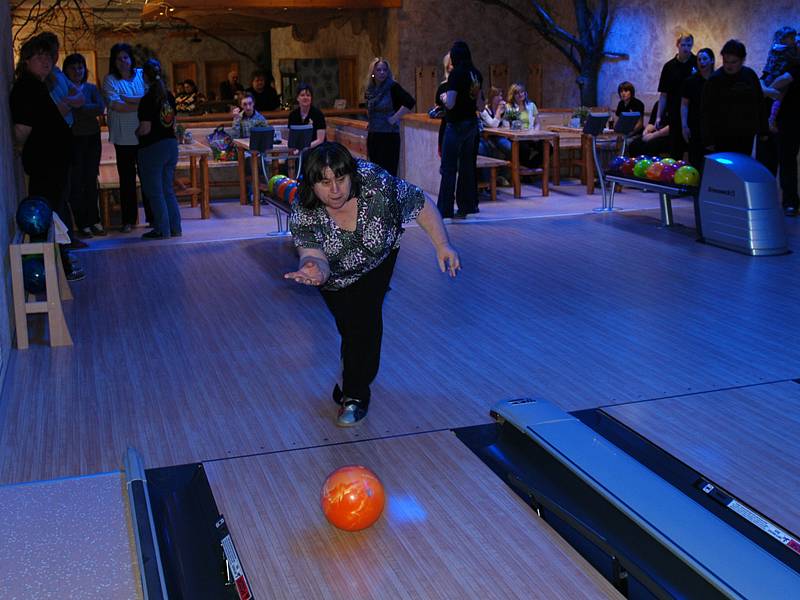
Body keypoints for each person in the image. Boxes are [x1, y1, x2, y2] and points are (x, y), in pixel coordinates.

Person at [285, 142, 460, 426]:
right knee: (350, 327)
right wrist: (314, 268)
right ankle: (350, 376)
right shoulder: (304, 209)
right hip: (334, 275)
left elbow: (420, 203)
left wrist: (443, 245)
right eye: (325, 183)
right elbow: (313, 253)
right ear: (311, 184)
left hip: (378, 260)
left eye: (341, 180)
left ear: (351, 175)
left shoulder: (377, 185)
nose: (335, 190)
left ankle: (355, 395)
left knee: (363, 323)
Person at [10, 33, 84, 281]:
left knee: (55, 215)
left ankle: (60, 268)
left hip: (54, 163)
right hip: (46, 165)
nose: (45, 61)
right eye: (38, 56)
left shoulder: (38, 86)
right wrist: (18, 148)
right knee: (50, 216)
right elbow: (22, 128)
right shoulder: (26, 87)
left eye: (48, 56)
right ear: (26, 60)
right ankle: (57, 271)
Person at [103, 42, 149, 232]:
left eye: (125, 57)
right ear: (113, 61)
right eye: (118, 58)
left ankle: (153, 218)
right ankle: (129, 220)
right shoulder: (110, 80)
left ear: (131, 59)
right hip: (123, 137)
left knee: (147, 178)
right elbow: (116, 106)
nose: (123, 61)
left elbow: (150, 99)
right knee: (127, 181)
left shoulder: (141, 74)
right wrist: (141, 103)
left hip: (144, 134)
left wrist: (127, 99)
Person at [437, 40, 483, 219]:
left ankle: (445, 209)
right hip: (472, 124)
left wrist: (443, 97)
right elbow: (480, 103)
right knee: (467, 167)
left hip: (455, 125)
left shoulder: (456, 74)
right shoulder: (476, 74)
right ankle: (468, 206)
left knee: (448, 168)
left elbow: (450, 103)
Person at [135, 59, 180, 240]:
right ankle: (175, 228)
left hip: (153, 148)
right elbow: (173, 123)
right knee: (167, 190)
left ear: (145, 76)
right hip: (171, 145)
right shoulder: (169, 96)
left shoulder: (147, 100)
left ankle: (162, 230)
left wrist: (135, 131)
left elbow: (145, 128)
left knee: (155, 192)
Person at [64, 53, 107, 239]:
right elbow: (69, 108)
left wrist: (80, 107)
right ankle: (82, 224)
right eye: (73, 68)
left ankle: (94, 220)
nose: (77, 71)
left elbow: (100, 107)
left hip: (92, 138)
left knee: (91, 180)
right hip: (73, 138)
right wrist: (84, 108)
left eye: (80, 67)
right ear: (66, 70)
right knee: (76, 182)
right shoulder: (64, 89)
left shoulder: (90, 88)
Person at [701, 39, 765, 156]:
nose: (729, 66)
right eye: (726, 61)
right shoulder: (715, 79)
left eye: (733, 62)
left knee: (742, 167)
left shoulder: (749, 76)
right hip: (721, 135)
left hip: (746, 134)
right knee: (724, 168)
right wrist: (708, 139)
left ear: (742, 60)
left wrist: (763, 130)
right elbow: (706, 110)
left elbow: (759, 103)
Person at [365, 58, 415, 176]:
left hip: (389, 135)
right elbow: (369, 108)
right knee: (375, 172)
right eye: (379, 70)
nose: (382, 72)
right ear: (373, 72)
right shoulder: (370, 89)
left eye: (384, 70)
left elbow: (410, 102)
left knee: (388, 172)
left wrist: (394, 118)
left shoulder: (393, 87)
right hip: (374, 134)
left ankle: (389, 194)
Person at [764, 65, 800, 216]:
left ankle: (789, 203)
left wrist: (766, 92)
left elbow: (784, 80)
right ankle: (789, 203)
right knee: (786, 162)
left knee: (786, 162)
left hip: (789, 122)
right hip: (788, 122)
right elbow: (782, 83)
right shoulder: (792, 65)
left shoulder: (793, 67)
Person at [656, 33, 697, 159]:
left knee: (695, 152)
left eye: (689, 45)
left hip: (693, 115)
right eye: (683, 45)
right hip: (674, 115)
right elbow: (664, 94)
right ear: (677, 45)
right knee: (675, 152)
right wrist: (658, 116)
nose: (686, 48)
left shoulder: (697, 63)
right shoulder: (669, 66)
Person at [680, 47, 715, 170]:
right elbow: (684, 105)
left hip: (713, 129)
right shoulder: (690, 81)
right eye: (699, 59)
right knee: (695, 162)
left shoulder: (718, 80)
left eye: (705, 59)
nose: (702, 62)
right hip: (694, 127)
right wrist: (684, 126)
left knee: (712, 164)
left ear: (712, 61)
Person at [504, 82, 541, 167]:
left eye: (522, 92)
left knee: (548, 147)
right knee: (525, 148)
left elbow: (537, 123)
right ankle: (525, 174)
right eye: (517, 93)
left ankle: (529, 167)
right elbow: (506, 125)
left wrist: (535, 134)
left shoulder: (531, 105)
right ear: (513, 95)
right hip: (517, 137)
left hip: (530, 135)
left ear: (525, 93)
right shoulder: (509, 107)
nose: (520, 95)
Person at [288, 83, 327, 150]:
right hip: (297, 151)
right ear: (297, 98)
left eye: (308, 95)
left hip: (316, 150)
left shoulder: (318, 114)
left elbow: (320, 140)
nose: (305, 97)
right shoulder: (292, 115)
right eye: (302, 95)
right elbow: (290, 139)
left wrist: (304, 148)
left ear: (311, 98)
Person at [434, 52, 453, 155]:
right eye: (452, 63)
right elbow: (438, 108)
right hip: (447, 129)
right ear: (447, 67)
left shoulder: (466, 85)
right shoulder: (443, 87)